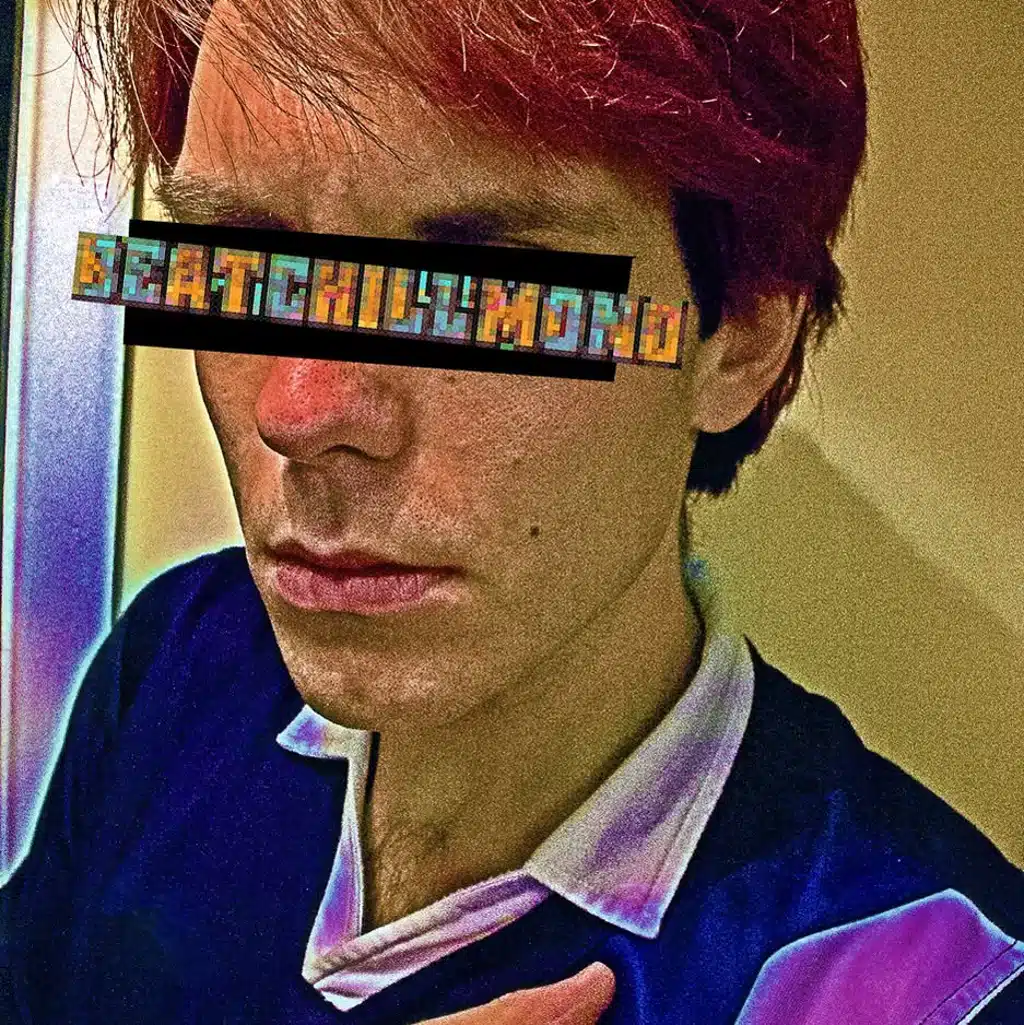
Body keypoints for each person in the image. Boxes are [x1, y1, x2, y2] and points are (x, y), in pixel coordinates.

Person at [2, 0, 1022, 1022]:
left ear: (742, 335)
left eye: (481, 286)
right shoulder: (182, 656)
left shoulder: (922, 981)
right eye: (245, 262)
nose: (299, 410)